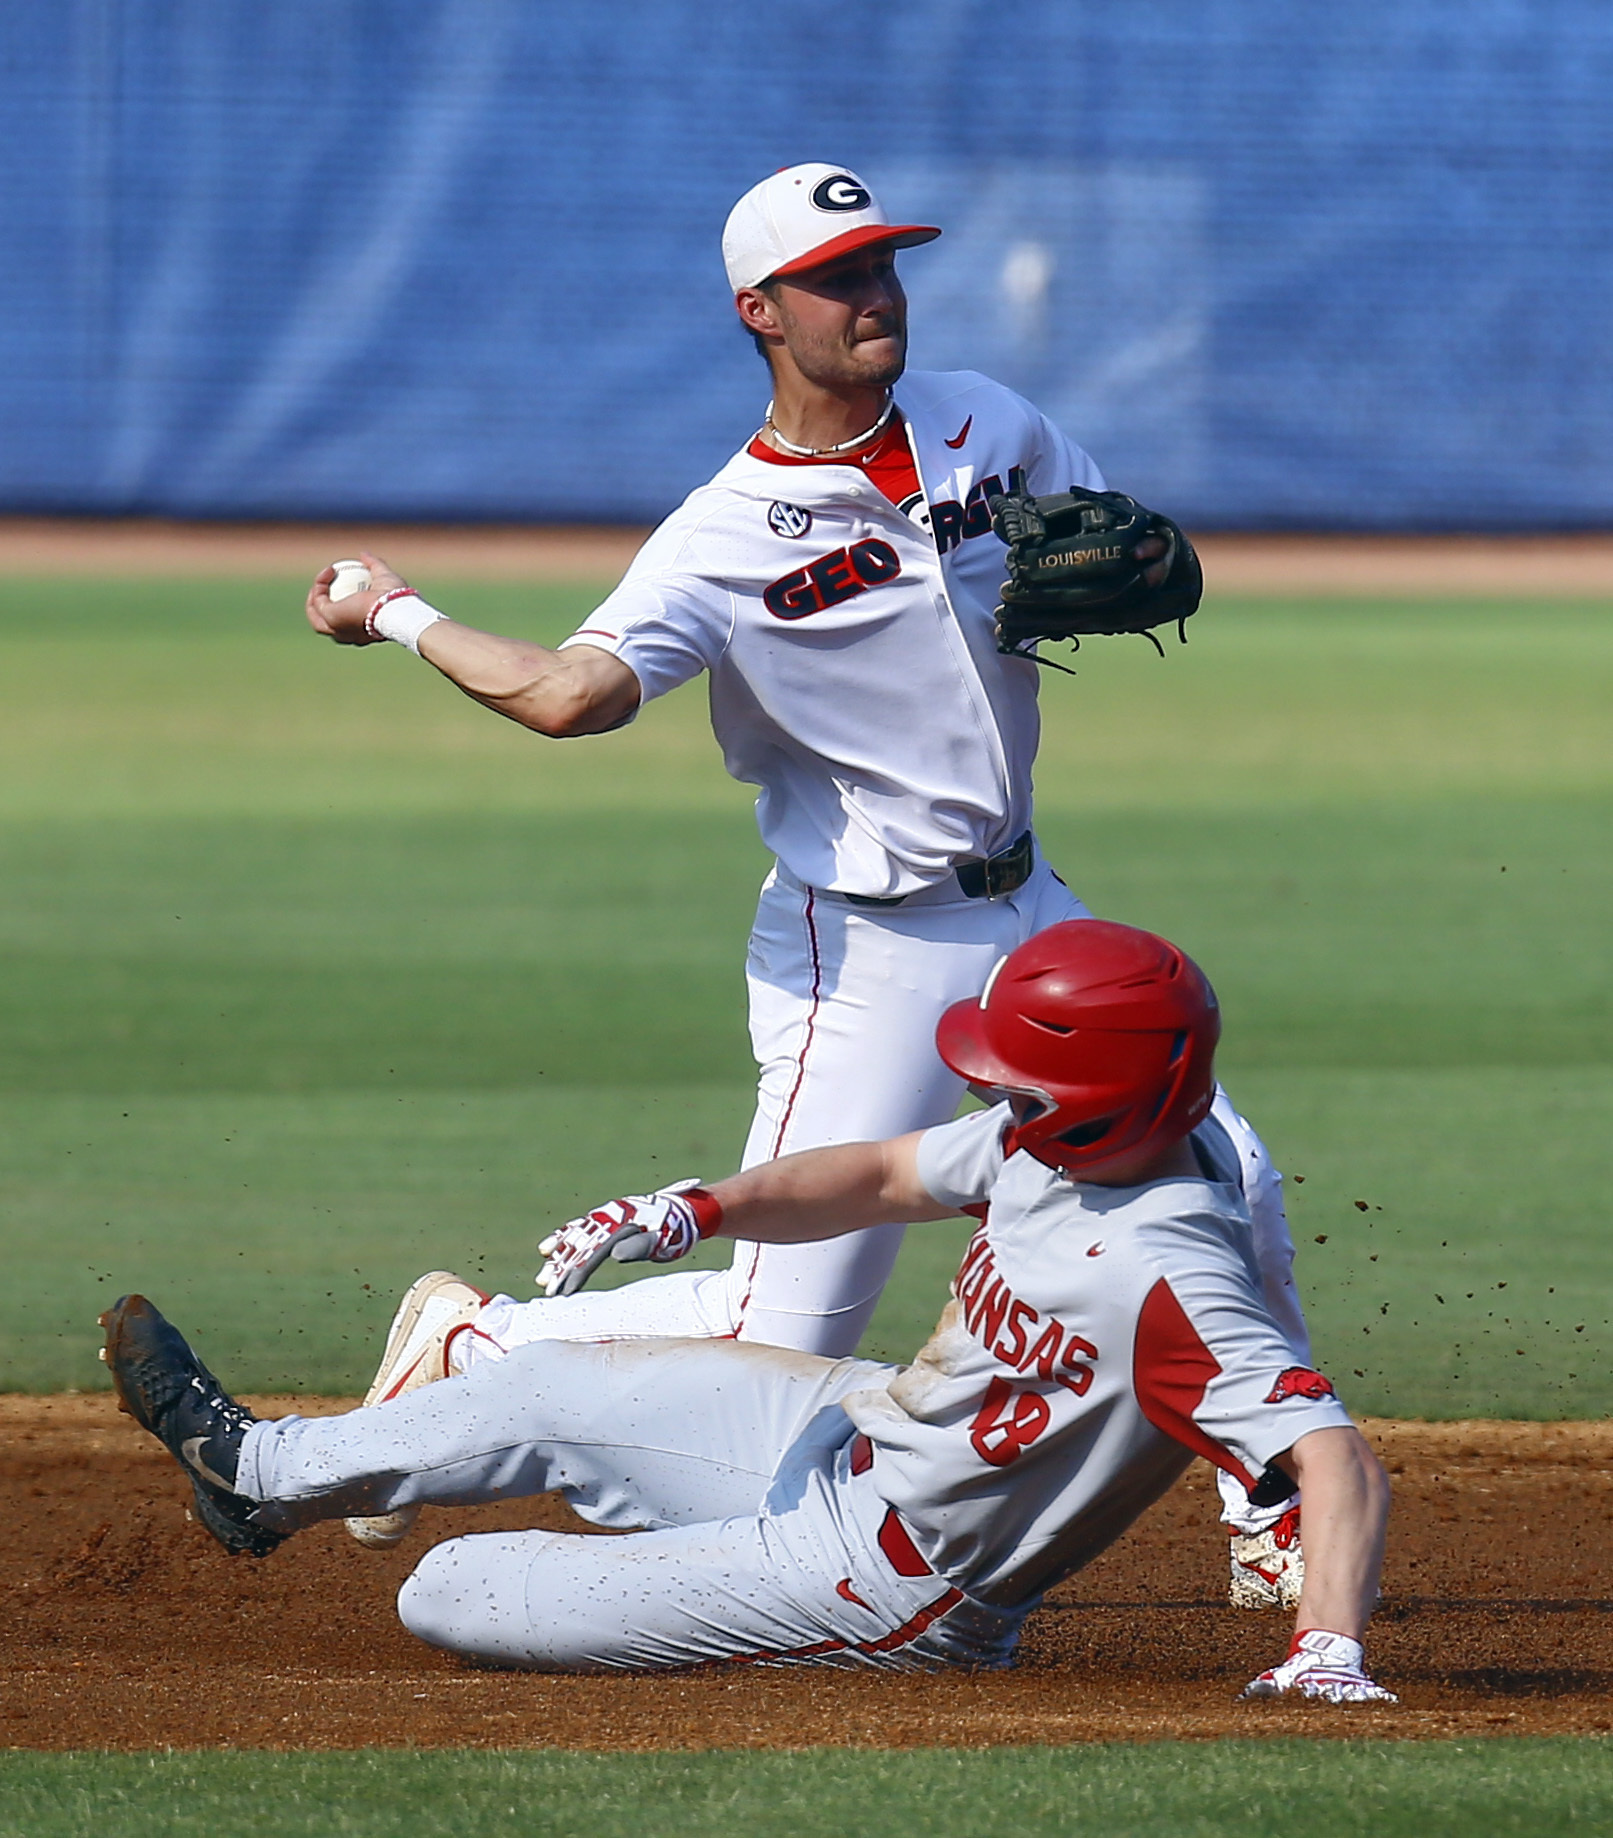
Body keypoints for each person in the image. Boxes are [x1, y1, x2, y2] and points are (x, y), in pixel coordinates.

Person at [303, 162, 1309, 1600]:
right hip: (868, 951)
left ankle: (1273, 1500)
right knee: (776, 1340)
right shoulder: (722, 534)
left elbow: (1116, 531)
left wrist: (1143, 555)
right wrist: (398, 611)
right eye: (836, 278)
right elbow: (571, 695)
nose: (874, 294)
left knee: (1225, 1168)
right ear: (760, 313)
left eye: (883, 265)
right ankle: (479, 1347)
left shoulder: (986, 422)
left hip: (1030, 909)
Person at [100, 922, 1393, 1701]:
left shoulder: (1171, 1267)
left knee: (448, 1587)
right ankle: (256, 1473)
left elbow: (1332, 1456)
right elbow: (880, 1173)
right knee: (548, 1379)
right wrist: (698, 1208)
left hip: (889, 1582)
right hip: (848, 1429)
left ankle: (743, 1590)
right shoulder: (1058, 1140)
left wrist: (1325, 1647)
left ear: (1099, 1103)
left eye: (1016, 1078)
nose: (989, 1091)